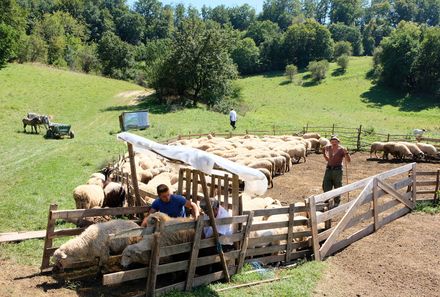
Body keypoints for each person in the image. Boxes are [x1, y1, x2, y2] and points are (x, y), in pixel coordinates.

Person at [322, 136, 351, 207]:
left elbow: (349, 160)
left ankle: (337, 201)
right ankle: (327, 200)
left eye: (335, 142)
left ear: (338, 142)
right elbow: (323, 149)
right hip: (328, 169)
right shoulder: (329, 148)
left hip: (337, 170)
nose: (334, 143)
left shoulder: (342, 149)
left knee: (337, 185)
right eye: (332, 141)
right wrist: (324, 154)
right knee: (326, 185)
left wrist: (346, 153)